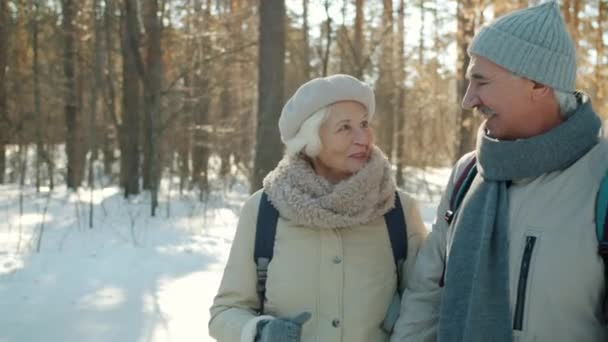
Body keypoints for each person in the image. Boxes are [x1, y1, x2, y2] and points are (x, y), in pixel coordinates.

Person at [391, 2, 608, 342]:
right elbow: (426, 298)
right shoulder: (467, 174)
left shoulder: (601, 181)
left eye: (481, 81)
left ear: (538, 84)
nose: (468, 100)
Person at [208, 74, 428, 342]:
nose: (363, 138)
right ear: (311, 139)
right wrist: (259, 332)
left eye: (364, 124)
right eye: (345, 127)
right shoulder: (264, 210)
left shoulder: (399, 210)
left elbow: (427, 306)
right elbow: (226, 311)